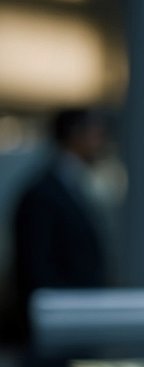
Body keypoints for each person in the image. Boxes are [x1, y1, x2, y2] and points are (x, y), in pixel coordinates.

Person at [11, 107, 110, 339]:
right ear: (75, 135)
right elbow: (36, 266)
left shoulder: (72, 187)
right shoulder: (45, 193)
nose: (101, 141)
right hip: (57, 323)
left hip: (73, 318)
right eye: (95, 133)